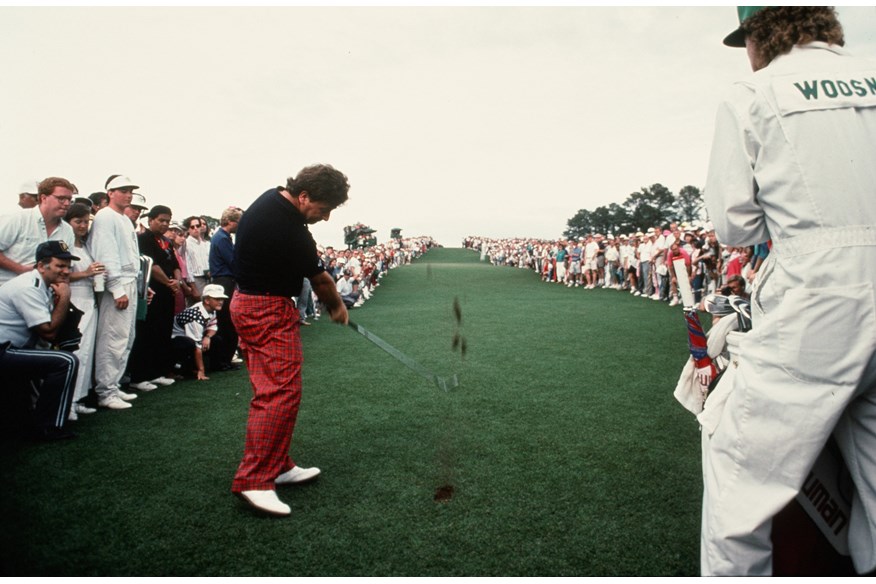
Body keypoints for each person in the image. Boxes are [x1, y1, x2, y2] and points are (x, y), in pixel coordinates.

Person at [700, 7, 876, 575]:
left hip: (821, 293)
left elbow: (734, 223)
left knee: (738, 472)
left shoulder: (753, 92)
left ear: (760, 34)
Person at [230, 164, 350, 517]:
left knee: (275, 389)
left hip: (251, 303)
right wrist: (337, 309)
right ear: (303, 196)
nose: (325, 218)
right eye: (323, 209)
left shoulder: (271, 199)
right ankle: (254, 479)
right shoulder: (290, 228)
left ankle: (278, 464)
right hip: (265, 309)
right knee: (278, 393)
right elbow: (322, 281)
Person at [0, 241, 80, 440]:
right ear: (42, 266)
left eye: (68, 266)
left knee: (60, 355)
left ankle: (38, 419)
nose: (66, 271)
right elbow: (48, 332)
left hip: (13, 348)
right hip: (4, 349)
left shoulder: (41, 283)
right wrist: (65, 296)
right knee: (66, 361)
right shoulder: (29, 286)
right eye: (60, 266)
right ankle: (49, 426)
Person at [87, 175, 142, 410]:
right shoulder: (105, 217)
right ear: (110, 192)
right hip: (116, 286)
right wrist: (116, 288)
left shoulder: (124, 219)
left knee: (126, 338)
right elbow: (106, 253)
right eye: (123, 190)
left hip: (130, 282)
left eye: (130, 190)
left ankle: (114, 385)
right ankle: (105, 391)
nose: (128, 195)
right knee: (112, 338)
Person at [128, 204, 179, 391]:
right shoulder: (144, 239)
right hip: (152, 292)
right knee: (147, 333)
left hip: (168, 292)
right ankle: (139, 376)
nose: (165, 224)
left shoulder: (167, 242)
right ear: (150, 221)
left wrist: (177, 282)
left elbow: (175, 265)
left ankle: (157, 372)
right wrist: (168, 282)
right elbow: (152, 266)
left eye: (167, 221)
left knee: (163, 333)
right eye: (161, 220)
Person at [64, 203, 103, 420]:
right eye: (78, 221)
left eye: (86, 221)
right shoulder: (66, 246)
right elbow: (63, 276)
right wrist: (87, 273)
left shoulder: (87, 246)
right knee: (76, 351)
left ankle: (78, 399)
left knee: (87, 350)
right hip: (74, 300)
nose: (82, 226)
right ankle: (67, 402)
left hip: (90, 300)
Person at [0, 177, 77, 287]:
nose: (66, 203)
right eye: (61, 198)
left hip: (43, 293)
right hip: (7, 290)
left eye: (70, 200)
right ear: (43, 198)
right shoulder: (17, 219)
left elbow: (67, 265)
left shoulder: (67, 230)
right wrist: (20, 269)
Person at [208, 206, 242, 371]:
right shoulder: (222, 238)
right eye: (238, 222)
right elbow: (233, 261)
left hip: (224, 281)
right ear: (230, 221)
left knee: (226, 321)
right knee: (226, 321)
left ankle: (225, 359)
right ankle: (223, 360)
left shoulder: (222, 237)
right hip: (224, 281)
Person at [171, 283, 228, 381]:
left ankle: (215, 366)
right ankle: (181, 369)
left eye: (221, 299)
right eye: (217, 299)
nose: (221, 302)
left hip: (191, 337)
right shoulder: (195, 315)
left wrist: (208, 337)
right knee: (190, 344)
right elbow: (196, 346)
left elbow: (213, 326)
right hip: (174, 341)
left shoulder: (211, 309)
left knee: (216, 339)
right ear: (207, 300)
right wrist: (201, 370)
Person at [184, 216, 210, 303]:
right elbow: (188, 267)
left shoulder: (204, 244)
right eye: (192, 227)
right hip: (196, 280)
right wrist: (193, 287)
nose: (196, 228)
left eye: (198, 226)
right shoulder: (186, 244)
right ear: (188, 229)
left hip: (207, 278)